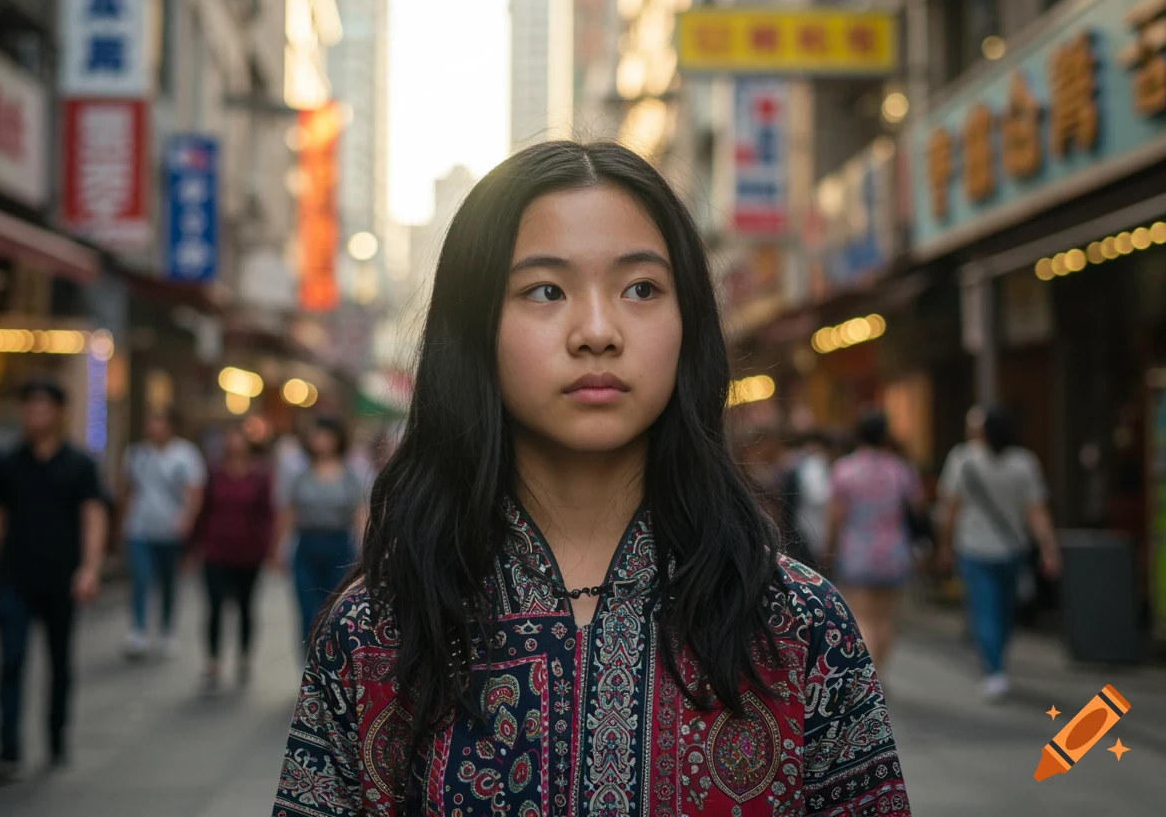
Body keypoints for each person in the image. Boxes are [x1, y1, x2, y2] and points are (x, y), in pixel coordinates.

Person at [271, 140, 909, 816]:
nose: (598, 332)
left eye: (641, 289)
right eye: (545, 290)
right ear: (476, 329)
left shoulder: (802, 626)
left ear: (688, 326)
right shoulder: (377, 633)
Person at [0, 379, 107, 782]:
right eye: (27, 407)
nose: (33, 416)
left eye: (41, 408)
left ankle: (56, 735)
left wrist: (89, 568)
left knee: (59, 661)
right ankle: (8, 747)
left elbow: (93, 517)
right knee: (11, 660)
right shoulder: (8, 463)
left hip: (61, 579)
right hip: (14, 576)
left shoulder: (79, 465)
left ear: (59, 412)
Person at [937, 406, 1061, 701]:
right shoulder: (1024, 463)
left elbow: (949, 509)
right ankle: (996, 663)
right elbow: (1037, 512)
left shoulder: (963, 459)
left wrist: (944, 545)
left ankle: (993, 669)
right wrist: (1049, 548)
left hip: (974, 547)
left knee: (985, 610)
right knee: (1004, 610)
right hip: (1012, 548)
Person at [825, 411, 922, 672]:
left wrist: (828, 548)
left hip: (857, 549)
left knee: (862, 616)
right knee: (886, 617)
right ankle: (880, 670)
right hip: (893, 549)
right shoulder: (900, 469)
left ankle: (868, 675)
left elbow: (836, 516)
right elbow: (915, 506)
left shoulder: (844, 469)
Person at [190, 424, 274, 696]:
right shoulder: (213, 473)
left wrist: (269, 548)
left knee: (245, 607)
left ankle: (243, 658)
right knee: (214, 606)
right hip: (215, 551)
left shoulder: (260, 475)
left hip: (249, 553)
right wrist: (194, 546)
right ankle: (213, 662)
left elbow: (267, 513)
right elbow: (202, 510)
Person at [272, 416, 367, 649]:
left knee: (336, 612)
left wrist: (366, 552)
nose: (321, 441)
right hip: (307, 546)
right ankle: (308, 670)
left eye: (326, 436)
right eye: (317, 436)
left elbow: (360, 515)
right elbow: (288, 513)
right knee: (306, 612)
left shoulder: (350, 475)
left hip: (339, 546)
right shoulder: (300, 475)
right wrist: (277, 549)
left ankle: (333, 670)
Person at [118, 409, 205, 659]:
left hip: (171, 530)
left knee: (168, 582)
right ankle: (138, 629)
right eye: (150, 422)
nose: (153, 427)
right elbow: (127, 489)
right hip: (139, 528)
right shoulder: (136, 454)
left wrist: (187, 519)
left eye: (158, 421)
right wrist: (121, 524)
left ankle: (167, 630)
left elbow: (194, 491)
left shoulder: (186, 454)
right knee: (141, 579)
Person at [779, 431, 832, 570]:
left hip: (806, 523)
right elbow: (819, 496)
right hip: (811, 524)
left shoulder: (804, 464)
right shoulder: (813, 465)